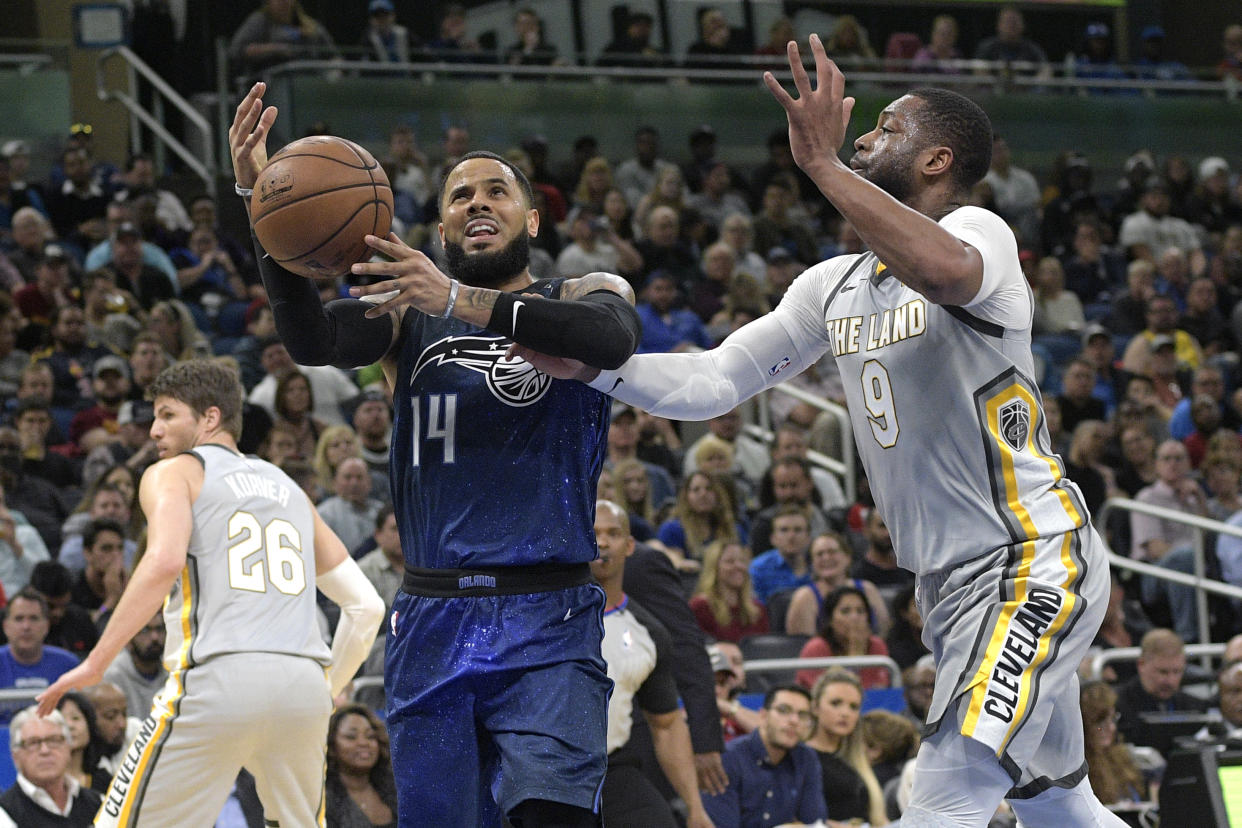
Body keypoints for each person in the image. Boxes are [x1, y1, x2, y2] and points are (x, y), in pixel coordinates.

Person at [515, 38, 1120, 826]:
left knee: (944, 787)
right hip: (947, 585)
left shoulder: (982, 233)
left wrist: (826, 169)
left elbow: (941, 274)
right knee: (1056, 808)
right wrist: (593, 369)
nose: (866, 137)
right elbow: (716, 379)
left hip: (1031, 557)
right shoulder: (830, 286)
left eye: (888, 128)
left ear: (938, 160)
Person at [230, 81, 643, 827]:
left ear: (534, 216)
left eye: (496, 192)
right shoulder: (401, 318)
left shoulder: (581, 289)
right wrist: (264, 208)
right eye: (460, 196)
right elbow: (310, 340)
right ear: (442, 226)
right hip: (432, 615)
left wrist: (455, 298)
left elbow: (610, 340)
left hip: (548, 618)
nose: (477, 203)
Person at [35, 359, 385, 826]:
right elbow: (367, 607)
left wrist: (96, 661)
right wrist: (327, 689)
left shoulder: (175, 472)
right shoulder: (290, 488)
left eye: (167, 415)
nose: (154, 430)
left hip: (218, 675)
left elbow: (161, 562)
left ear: (210, 418)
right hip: (301, 687)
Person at [592, 500, 712, 828]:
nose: (602, 542)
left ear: (630, 546)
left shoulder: (648, 632)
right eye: (593, 532)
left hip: (612, 768)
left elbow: (667, 725)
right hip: (542, 770)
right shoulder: (540, 617)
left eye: (613, 533)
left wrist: (695, 807)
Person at [700, 684, 827, 827]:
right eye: (784, 710)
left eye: (803, 715)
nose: (794, 721)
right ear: (763, 715)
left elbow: (814, 821)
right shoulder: (728, 759)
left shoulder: (806, 757)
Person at [805, 668, 888, 826]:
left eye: (853, 707)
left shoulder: (856, 759)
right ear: (815, 707)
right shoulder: (801, 757)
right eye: (836, 703)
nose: (845, 713)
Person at [0, 706, 102, 826]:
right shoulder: (5, 813)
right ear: (15, 755)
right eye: (33, 743)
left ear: (68, 747)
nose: (45, 750)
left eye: (54, 740)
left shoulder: (99, 803)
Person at [1113, 628, 1209, 756]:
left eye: (1177, 672)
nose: (1170, 681)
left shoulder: (1195, 707)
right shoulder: (1116, 705)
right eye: (1163, 672)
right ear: (1141, 664)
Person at [786, 530, 889, 638]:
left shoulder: (868, 589)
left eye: (832, 552)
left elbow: (884, 634)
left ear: (847, 557)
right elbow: (801, 646)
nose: (826, 558)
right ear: (812, 563)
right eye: (819, 554)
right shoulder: (804, 597)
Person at [0, 589, 79, 723]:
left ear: (46, 625)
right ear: (6, 626)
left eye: (34, 618)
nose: (26, 626)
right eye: (19, 619)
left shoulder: (69, 665)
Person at [795, 584, 891, 691]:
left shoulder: (877, 645)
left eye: (860, 611)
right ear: (830, 619)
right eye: (845, 611)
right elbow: (829, 696)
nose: (855, 617)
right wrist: (855, 654)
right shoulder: (816, 648)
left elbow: (883, 692)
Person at [324, 703, 399, 828]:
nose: (363, 743)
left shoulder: (395, 788)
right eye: (351, 737)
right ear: (331, 746)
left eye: (370, 736)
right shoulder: (323, 800)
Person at [1080, 680, 1148, 806]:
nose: (1111, 728)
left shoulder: (1120, 757)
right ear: (1082, 724)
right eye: (1100, 723)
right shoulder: (1077, 771)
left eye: (1112, 719)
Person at [689, 539, 768, 642]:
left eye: (742, 561)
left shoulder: (757, 609)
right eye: (730, 561)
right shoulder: (699, 607)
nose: (739, 566)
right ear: (714, 567)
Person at [102, 610, 167, 721]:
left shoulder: (175, 670)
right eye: (145, 630)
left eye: (159, 629)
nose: (155, 637)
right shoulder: (113, 675)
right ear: (128, 639)